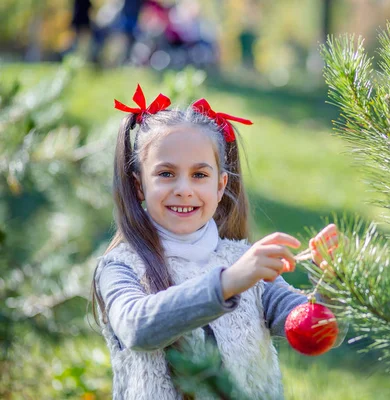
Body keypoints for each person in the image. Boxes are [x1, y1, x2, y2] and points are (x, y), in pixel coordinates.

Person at [91, 84, 342, 400]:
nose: (184, 189)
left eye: (199, 175)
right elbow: (136, 328)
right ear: (140, 185)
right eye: (166, 174)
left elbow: (311, 331)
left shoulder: (245, 262)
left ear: (221, 186)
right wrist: (228, 282)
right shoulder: (121, 265)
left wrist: (331, 285)